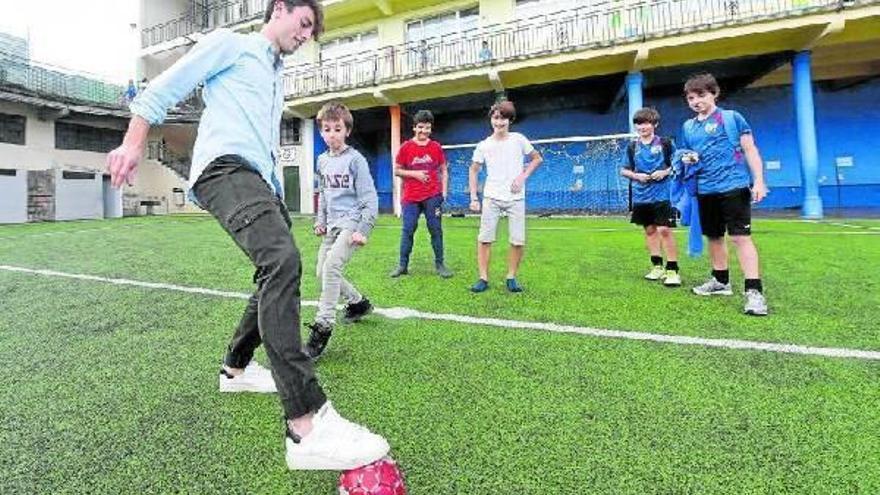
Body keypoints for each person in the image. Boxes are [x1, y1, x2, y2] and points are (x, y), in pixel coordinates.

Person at [106, 0, 389, 470]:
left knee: (274, 271)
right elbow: (162, 87)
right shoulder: (231, 45)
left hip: (259, 180)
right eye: (303, 24)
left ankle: (234, 368)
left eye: (311, 32)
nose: (305, 36)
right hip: (224, 169)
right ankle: (306, 424)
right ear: (279, 9)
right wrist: (133, 143)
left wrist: (276, 189)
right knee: (282, 264)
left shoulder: (275, 75)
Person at [680, 72, 769, 316]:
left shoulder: (731, 118)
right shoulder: (688, 127)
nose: (696, 101)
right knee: (714, 237)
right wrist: (688, 159)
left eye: (700, 95)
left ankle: (754, 292)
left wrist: (759, 181)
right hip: (704, 190)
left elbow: (750, 150)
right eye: (690, 98)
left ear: (714, 93)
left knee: (740, 238)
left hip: (734, 186)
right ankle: (720, 281)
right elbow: (690, 154)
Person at [304, 101, 378, 359]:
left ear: (347, 130)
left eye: (337, 129)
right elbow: (323, 194)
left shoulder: (355, 160)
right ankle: (358, 303)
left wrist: (363, 229)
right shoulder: (322, 160)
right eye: (327, 129)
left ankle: (322, 327)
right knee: (321, 272)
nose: (332, 134)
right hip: (331, 225)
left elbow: (369, 197)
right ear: (321, 131)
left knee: (332, 266)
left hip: (352, 223)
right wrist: (319, 220)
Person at [468, 100, 543, 293]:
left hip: (515, 198)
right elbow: (474, 170)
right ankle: (483, 278)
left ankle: (511, 277)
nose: (499, 122)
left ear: (510, 121)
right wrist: (474, 198)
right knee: (484, 239)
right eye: (496, 118)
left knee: (517, 240)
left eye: (503, 119)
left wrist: (522, 176)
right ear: (491, 119)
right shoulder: (483, 145)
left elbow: (537, 158)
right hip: (491, 197)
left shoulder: (518, 139)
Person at [621, 107, 680, 287]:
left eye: (646, 123)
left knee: (664, 230)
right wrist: (636, 176)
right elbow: (623, 170)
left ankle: (672, 271)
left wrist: (664, 172)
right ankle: (657, 267)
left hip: (663, 194)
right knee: (649, 230)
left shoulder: (665, 143)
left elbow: (677, 165)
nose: (642, 127)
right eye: (639, 124)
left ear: (655, 124)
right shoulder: (632, 147)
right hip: (641, 196)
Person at [390, 109, 452, 278]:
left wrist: (443, 192)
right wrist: (415, 174)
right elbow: (397, 171)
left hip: (433, 196)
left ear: (430, 129)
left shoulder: (436, 147)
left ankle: (440, 265)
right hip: (410, 198)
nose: (423, 131)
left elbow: (443, 170)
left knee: (436, 230)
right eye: (420, 127)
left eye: (427, 128)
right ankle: (402, 265)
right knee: (408, 229)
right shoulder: (406, 147)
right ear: (414, 128)